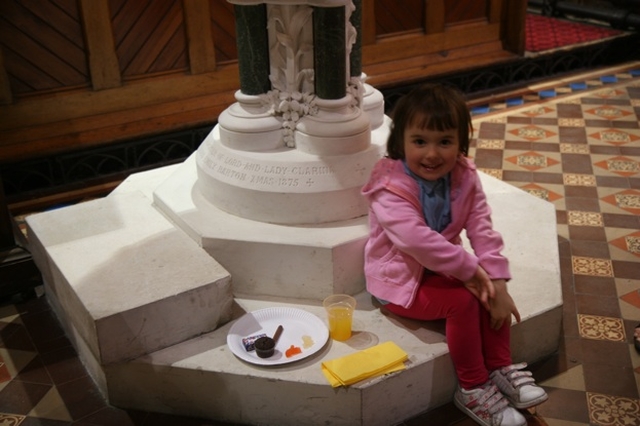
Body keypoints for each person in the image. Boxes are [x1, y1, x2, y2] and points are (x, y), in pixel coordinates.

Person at [361, 84, 548, 426]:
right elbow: (416, 240)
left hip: (445, 272)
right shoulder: (388, 185)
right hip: (398, 283)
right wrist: (472, 273)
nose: (432, 154)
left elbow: (482, 228)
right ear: (400, 141)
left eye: (444, 141)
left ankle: (501, 367)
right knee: (463, 301)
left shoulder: (463, 174)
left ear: (460, 142)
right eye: (420, 141)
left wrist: (496, 279)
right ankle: (473, 388)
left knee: (490, 290)